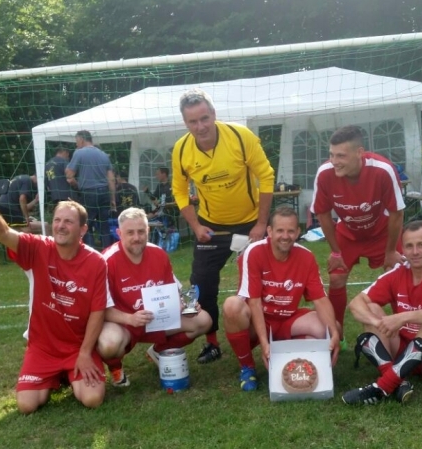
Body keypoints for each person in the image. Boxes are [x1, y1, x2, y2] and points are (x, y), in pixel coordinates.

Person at [0, 181, 107, 413]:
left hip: (77, 347)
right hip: (43, 348)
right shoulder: (37, 248)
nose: (61, 226)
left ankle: (69, 373)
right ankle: (58, 376)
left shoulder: (96, 262)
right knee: (27, 405)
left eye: (68, 221)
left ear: (83, 229)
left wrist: (85, 353)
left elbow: (98, 311)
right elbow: (3, 233)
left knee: (92, 398)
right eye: (57, 220)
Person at [171, 88, 275, 364]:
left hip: (250, 223)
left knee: (264, 279)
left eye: (204, 118)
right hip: (211, 226)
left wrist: (261, 223)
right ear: (185, 123)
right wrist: (195, 226)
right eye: (193, 121)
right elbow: (179, 190)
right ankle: (212, 342)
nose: (200, 126)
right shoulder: (181, 149)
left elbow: (266, 176)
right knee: (202, 282)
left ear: (214, 114)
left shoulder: (240, 136)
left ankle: (271, 332)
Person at [342, 220, 422, 405]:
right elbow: (356, 303)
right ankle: (397, 378)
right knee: (371, 308)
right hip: (404, 348)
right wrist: (378, 324)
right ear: (403, 249)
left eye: (421, 245)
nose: (415, 251)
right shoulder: (398, 272)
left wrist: (402, 317)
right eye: (409, 246)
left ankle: (382, 387)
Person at [222, 207, 340, 391]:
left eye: (291, 231)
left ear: (298, 232)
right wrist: (264, 343)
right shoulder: (254, 252)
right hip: (259, 319)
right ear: (269, 231)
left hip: (287, 319)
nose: (285, 236)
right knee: (232, 306)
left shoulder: (306, 257)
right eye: (280, 231)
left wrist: (334, 333)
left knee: (331, 328)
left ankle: (287, 351)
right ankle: (247, 367)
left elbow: (320, 299)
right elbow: (254, 302)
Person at [310, 125, 405, 346]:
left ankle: (406, 332)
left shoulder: (383, 169)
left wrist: (391, 251)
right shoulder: (324, 173)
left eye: (341, 156)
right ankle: (337, 334)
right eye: (331, 154)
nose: (334, 161)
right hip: (348, 233)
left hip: (381, 232)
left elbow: (397, 213)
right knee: (336, 277)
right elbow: (323, 214)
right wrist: (336, 251)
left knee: (397, 274)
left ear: (359, 152)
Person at [97, 207, 211, 386]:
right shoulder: (106, 261)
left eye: (141, 231)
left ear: (148, 230)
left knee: (203, 320)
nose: (137, 237)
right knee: (109, 344)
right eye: (130, 232)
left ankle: (159, 350)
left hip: (157, 319)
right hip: (124, 323)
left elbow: (173, 291)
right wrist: (130, 318)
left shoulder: (158, 254)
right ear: (119, 233)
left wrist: (185, 305)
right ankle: (115, 367)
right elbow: (99, 309)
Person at [65, 130, 116, 250]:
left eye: (77, 141)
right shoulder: (104, 155)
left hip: (89, 193)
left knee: (86, 225)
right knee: (104, 226)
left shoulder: (79, 153)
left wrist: (76, 181)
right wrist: (112, 199)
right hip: (104, 193)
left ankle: (90, 252)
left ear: (82, 139)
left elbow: (69, 174)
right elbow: (111, 179)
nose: (76, 144)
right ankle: (108, 252)